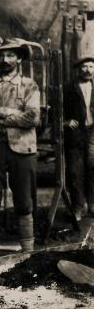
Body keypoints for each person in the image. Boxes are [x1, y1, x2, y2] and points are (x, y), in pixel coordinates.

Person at [0, 38, 41, 259]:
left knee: (24, 200)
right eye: (2, 55)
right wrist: (7, 112)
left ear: (19, 58)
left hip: (22, 147)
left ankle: (28, 253)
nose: (5, 59)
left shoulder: (30, 85)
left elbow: (33, 117)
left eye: (11, 55)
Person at [64, 55, 94, 220]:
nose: (88, 70)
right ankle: (78, 208)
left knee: (93, 168)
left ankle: (92, 205)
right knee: (75, 172)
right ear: (78, 69)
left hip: (93, 133)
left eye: (91, 67)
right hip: (75, 134)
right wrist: (65, 122)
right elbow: (57, 110)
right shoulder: (68, 87)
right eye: (85, 67)